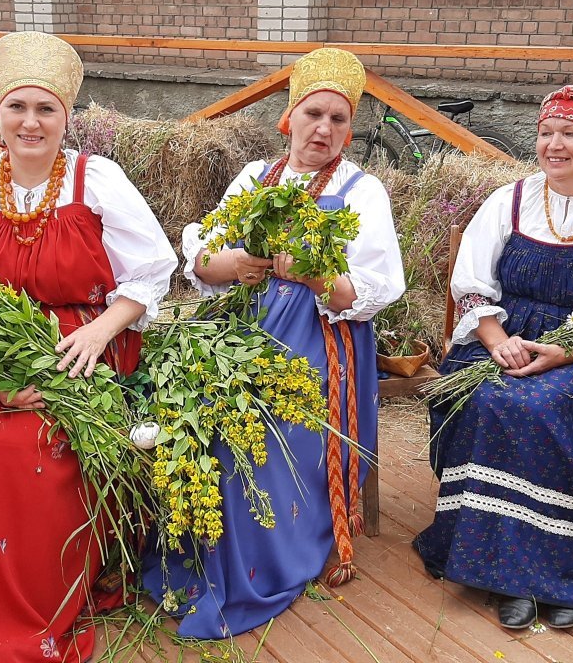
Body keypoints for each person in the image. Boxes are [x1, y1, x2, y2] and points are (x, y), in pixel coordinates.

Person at [142, 47, 406, 638]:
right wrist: (236, 261)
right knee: (193, 421)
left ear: (350, 129)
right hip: (237, 333)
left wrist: (312, 273)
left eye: (338, 120)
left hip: (319, 344)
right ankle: (195, 562)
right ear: (289, 117)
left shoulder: (363, 193)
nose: (324, 129)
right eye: (314, 114)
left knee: (254, 437)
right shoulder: (255, 179)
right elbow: (202, 261)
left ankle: (262, 566)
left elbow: (370, 291)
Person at [0, 31, 176, 661]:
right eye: (17, 107)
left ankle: (44, 604)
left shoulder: (99, 179)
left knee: (39, 446)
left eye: (46, 109)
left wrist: (98, 331)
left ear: (67, 116)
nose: (31, 122)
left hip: (86, 345)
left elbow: (150, 272)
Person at [411, 85, 573, 630]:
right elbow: (473, 284)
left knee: (543, 408)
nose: (554, 145)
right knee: (487, 399)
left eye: (570, 134)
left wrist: (567, 351)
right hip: (504, 338)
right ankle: (501, 570)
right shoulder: (510, 199)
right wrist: (492, 337)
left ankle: (565, 566)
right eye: (546, 133)